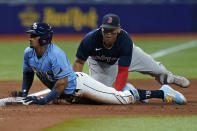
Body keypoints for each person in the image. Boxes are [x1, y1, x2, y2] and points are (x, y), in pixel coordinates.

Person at [11, 22, 186, 105]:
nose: (30, 37)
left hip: (82, 85)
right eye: (30, 34)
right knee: (101, 101)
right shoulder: (29, 53)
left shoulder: (54, 54)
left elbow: (62, 82)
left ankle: (162, 93)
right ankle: (126, 88)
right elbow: (28, 73)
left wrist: (46, 99)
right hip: (71, 94)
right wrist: (25, 92)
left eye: (34, 35)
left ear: (44, 39)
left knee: (122, 100)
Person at [73, 13, 190, 92]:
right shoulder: (90, 39)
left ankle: (170, 78)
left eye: (112, 30)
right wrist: (75, 86)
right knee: (98, 92)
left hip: (129, 56)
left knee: (158, 70)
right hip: (100, 64)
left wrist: (118, 94)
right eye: (106, 29)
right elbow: (78, 62)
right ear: (101, 29)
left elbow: (123, 71)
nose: (108, 33)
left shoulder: (125, 40)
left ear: (118, 29)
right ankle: (129, 89)